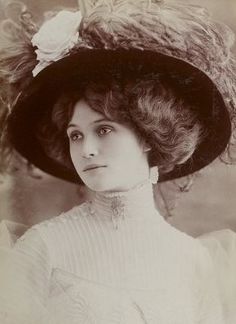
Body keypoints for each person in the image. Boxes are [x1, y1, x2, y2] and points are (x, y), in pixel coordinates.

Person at [0, 0, 236, 323]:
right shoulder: (43, 249)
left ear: (147, 136)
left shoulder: (193, 262)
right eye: (76, 135)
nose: (87, 150)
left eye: (104, 129)